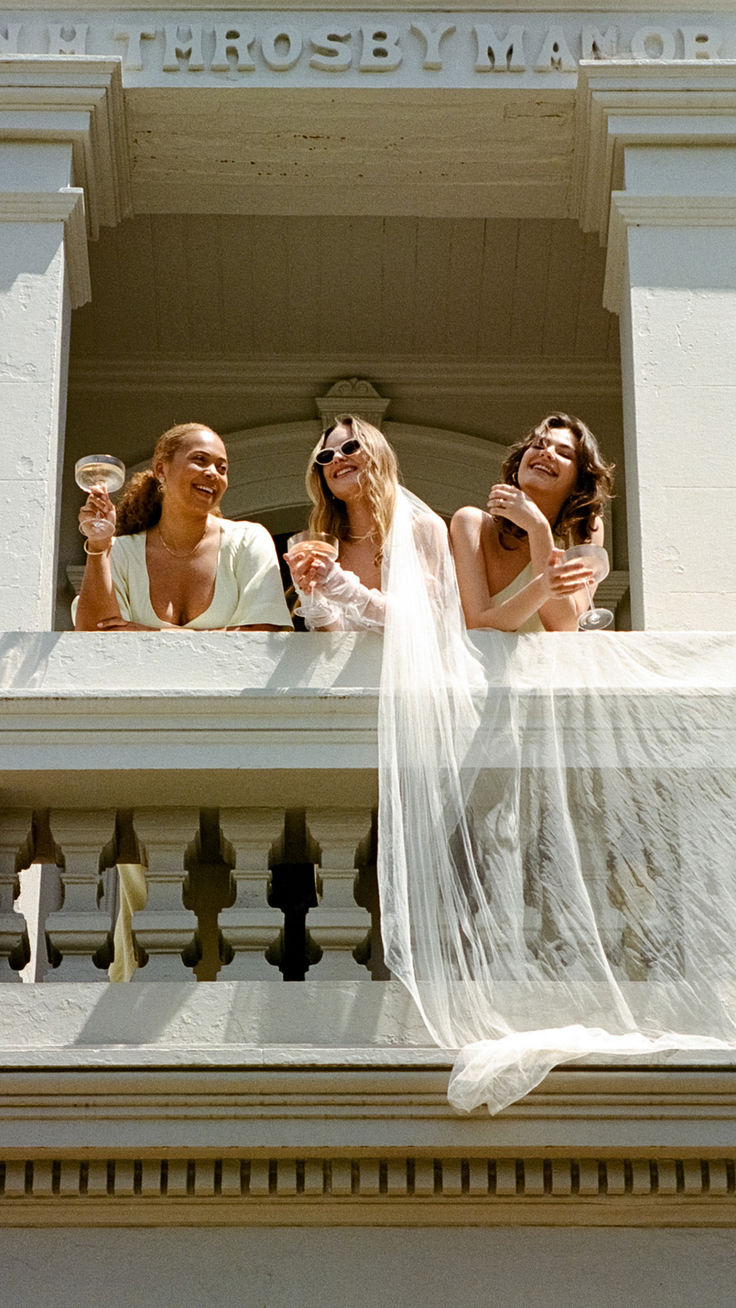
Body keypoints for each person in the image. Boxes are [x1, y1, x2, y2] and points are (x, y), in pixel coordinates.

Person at [74, 422, 291, 632]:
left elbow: (265, 632)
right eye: (200, 459)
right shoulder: (120, 551)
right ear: (161, 469)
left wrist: (151, 633)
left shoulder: (248, 539)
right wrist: (98, 545)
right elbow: (95, 635)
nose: (213, 472)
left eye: (222, 467)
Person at [450, 413, 615, 632]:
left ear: (579, 481)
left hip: (548, 665)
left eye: (564, 453)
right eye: (538, 446)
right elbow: (479, 626)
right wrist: (542, 587)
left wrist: (538, 529)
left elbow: (564, 626)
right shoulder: (472, 524)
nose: (547, 453)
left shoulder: (586, 529)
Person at [286, 413, 447, 631]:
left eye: (350, 447)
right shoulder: (330, 548)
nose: (337, 458)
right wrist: (312, 596)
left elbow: (422, 620)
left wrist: (342, 587)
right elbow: (335, 642)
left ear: (377, 455)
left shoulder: (423, 528)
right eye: (325, 456)